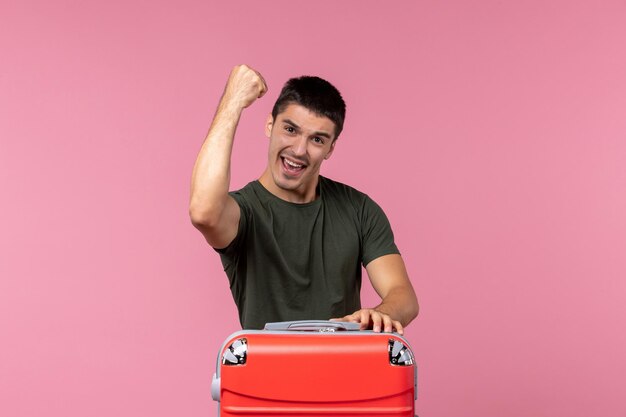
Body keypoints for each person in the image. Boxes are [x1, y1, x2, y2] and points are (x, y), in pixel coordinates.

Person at [189, 64, 418, 334]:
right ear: (270, 124)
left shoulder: (359, 209)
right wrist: (233, 100)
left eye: (317, 139)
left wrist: (379, 315)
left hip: (345, 371)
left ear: (331, 148)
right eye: (290, 129)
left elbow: (403, 295)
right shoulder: (244, 212)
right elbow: (203, 211)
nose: (299, 150)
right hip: (265, 373)